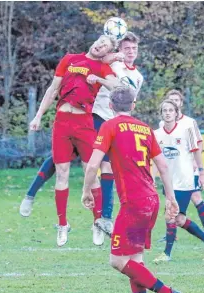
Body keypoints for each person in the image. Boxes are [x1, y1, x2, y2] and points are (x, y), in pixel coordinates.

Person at [19, 32, 143, 246]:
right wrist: (38, 116)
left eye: (106, 46)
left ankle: (98, 221)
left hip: (88, 121)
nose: (100, 46)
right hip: (63, 120)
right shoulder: (69, 59)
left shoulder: (106, 68)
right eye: (100, 42)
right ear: (94, 42)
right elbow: (52, 89)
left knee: (93, 170)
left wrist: (100, 79)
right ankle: (61, 223)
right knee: (61, 171)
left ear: (108, 52)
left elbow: (118, 88)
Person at [82, 87, 182, 293]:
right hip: (151, 199)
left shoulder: (109, 126)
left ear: (110, 107)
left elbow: (92, 165)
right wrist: (171, 198)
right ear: (133, 106)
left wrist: (87, 191)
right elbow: (163, 166)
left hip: (134, 202)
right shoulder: (145, 128)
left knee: (117, 260)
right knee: (135, 259)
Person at [91, 32, 144, 244]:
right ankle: (100, 216)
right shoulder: (112, 64)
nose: (130, 52)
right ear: (120, 50)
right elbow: (97, 61)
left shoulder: (138, 76)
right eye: (127, 49)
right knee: (92, 164)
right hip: (98, 116)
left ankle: (105, 217)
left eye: (134, 49)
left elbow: (132, 101)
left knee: (111, 168)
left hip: (118, 123)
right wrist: (113, 57)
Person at [153, 100, 204, 263]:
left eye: (171, 110)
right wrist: (153, 176)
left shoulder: (187, 129)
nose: (168, 113)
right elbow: (155, 158)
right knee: (178, 219)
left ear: (177, 113)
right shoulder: (156, 134)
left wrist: (201, 172)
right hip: (168, 181)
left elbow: (196, 151)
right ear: (161, 114)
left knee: (171, 215)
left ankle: (166, 254)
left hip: (184, 180)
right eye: (165, 110)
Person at [157, 89, 204, 243]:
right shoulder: (163, 123)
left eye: (176, 100)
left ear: (180, 103)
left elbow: (198, 143)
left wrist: (196, 163)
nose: (174, 103)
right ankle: (171, 234)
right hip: (172, 171)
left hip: (188, 170)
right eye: (170, 100)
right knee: (170, 200)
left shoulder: (189, 122)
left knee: (196, 198)